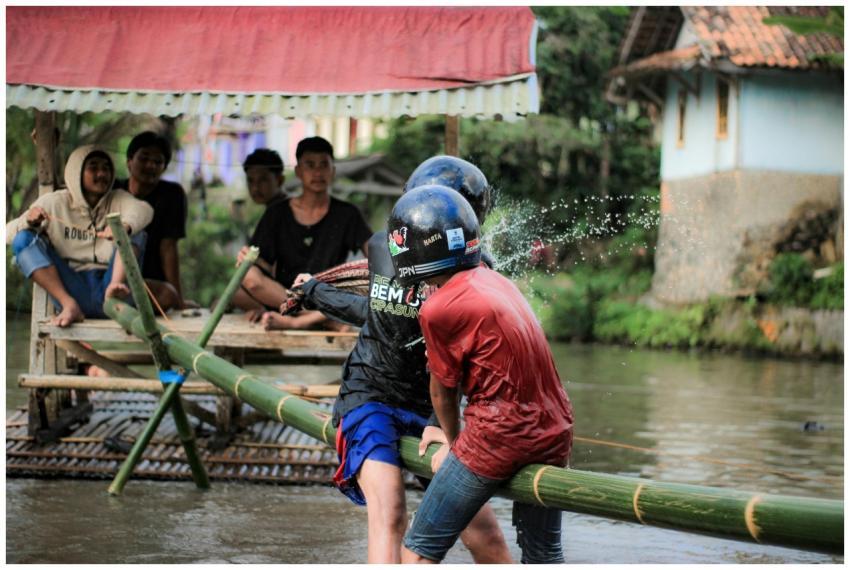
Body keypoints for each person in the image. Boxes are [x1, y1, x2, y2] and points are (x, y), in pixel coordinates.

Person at [290, 157, 511, 563]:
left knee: (483, 532)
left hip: (433, 409)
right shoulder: (382, 247)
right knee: (391, 511)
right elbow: (380, 312)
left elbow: (469, 363)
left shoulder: (479, 273)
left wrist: (439, 425)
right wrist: (314, 292)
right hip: (370, 395)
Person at [387, 185, 574, 564]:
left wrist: (455, 444)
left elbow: (442, 392)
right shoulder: (498, 281)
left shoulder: (437, 308)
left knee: (417, 551)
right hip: (556, 430)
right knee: (543, 555)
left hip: (499, 438)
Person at [6, 144, 153, 327]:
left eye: (106, 168)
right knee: (23, 240)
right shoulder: (55, 202)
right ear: (76, 172)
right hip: (73, 289)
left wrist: (124, 227)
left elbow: (144, 210)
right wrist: (29, 220)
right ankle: (69, 306)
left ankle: (114, 291)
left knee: (135, 230)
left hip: (113, 290)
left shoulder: (119, 199)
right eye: (93, 167)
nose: (102, 174)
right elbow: (7, 234)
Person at [236, 136, 372, 330]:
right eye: (310, 165)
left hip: (329, 296)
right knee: (247, 276)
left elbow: (376, 256)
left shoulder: (347, 213)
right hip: (285, 296)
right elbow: (259, 265)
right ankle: (319, 318)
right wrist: (246, 257)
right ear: (298, 172)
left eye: (323, 165)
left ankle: (301, 320)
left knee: (378, 278)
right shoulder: (277, 212)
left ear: (332, 171)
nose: (317, 172)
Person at [113, 131, 195, 311]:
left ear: (164, 168)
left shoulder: (172, 194)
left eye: (158, 162)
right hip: (111, 276)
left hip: (151, 282)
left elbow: (168, 247)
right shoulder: (114, 190)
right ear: (129, 162)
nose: (150, 165)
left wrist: (178, 299)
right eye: (144, 158)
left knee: (167, 296)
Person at [227, 148, 288, 320]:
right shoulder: (274, 210)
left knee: (235, 292)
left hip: (284, 290)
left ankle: (269, 310)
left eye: (263, 180)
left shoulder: (279, 211)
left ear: (280, 180)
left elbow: (270, 266)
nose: (255, 188)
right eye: (251, 181)